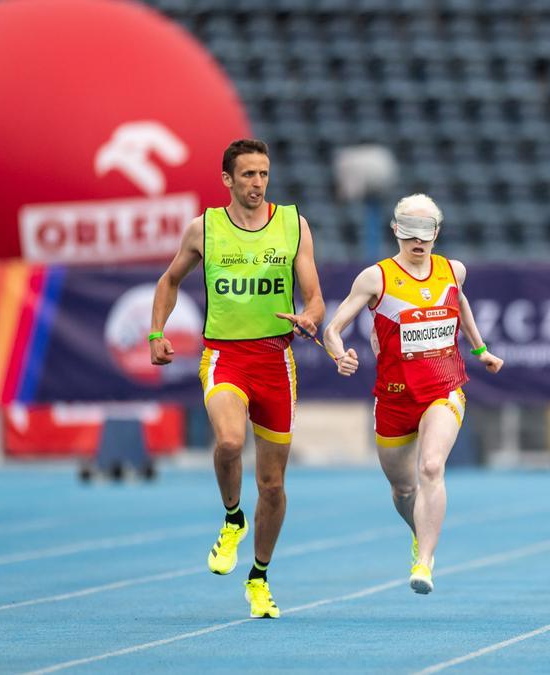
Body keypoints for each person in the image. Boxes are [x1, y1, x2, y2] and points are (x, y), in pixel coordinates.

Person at [150, 139, 325, 619]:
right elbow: (169, 281)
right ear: (227, 179)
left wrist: (309, 316)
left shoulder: (293, 225)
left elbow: (315, 298)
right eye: (247, 175)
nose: (257, 183)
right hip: (225, 357)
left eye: (263, 174)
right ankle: (232, 518)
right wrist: (155, 332)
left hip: (275, 361)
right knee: (229, 442)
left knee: (272, 484)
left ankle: (259, 577)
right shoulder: (203, 229)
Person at [322, 193, 503, 594]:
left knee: (432, 467)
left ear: (437, 233)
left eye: (425, 231)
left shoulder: (453, 270)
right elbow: (332, 329)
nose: (417, 241)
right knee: (403, 488)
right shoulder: (376, 278)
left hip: (444, 388)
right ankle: (419, 532)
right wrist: (339, 355)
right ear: (396, 231)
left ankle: (424, 562)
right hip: (394, 398)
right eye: (409, 231)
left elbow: (462, 306)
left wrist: (480, 349)